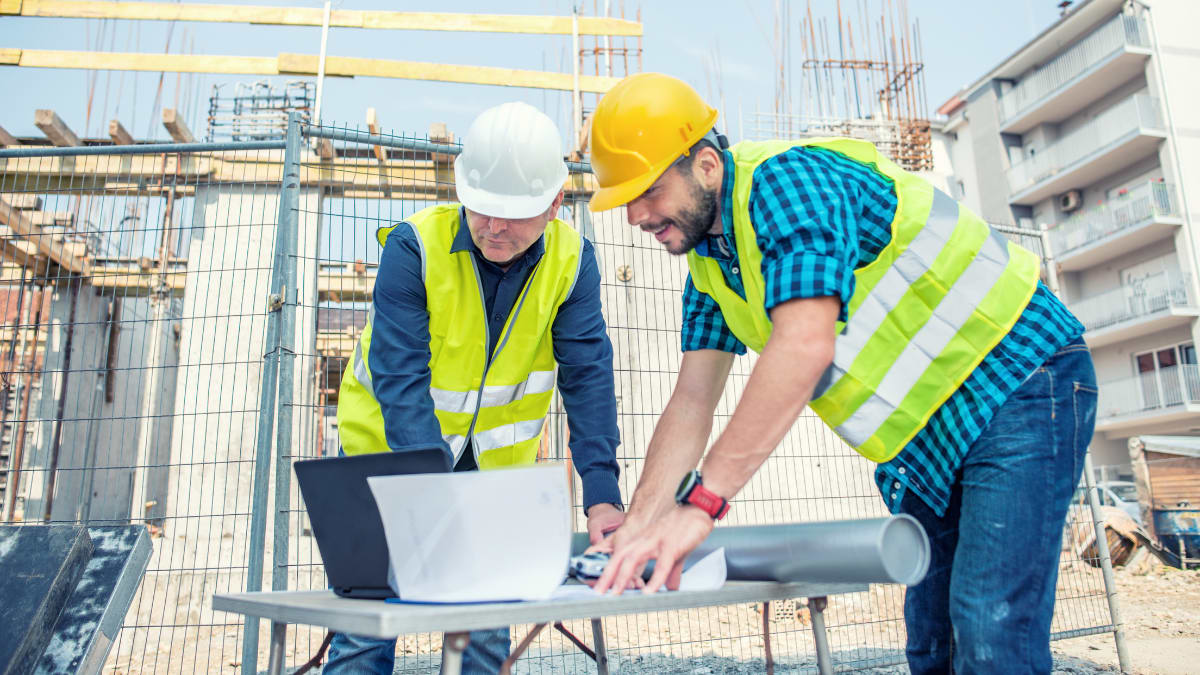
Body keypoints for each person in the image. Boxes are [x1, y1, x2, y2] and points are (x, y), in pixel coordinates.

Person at [585, 72, 1096, 675]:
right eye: (625, 200)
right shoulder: (710, 266)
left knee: (990, 631)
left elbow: (804, 344)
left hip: (1019, 380)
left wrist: (699, 507)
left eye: (648, 191)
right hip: (932, 439)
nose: (635, 216)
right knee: (933, 645)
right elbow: (692, 399)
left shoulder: (788, 183)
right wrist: (642, 522)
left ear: (705, 165)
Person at [329, 101, 625, 674]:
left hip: (492, 477)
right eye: (482, 208)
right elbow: (399, 377)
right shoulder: (414, 247)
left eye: (514, 214)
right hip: (384, 460)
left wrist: (602, 494)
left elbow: (588, 377)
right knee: (366, 632)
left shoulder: (572, 263)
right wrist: (435, 496)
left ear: (555, 203)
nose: (494, 227)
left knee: (484, 639)